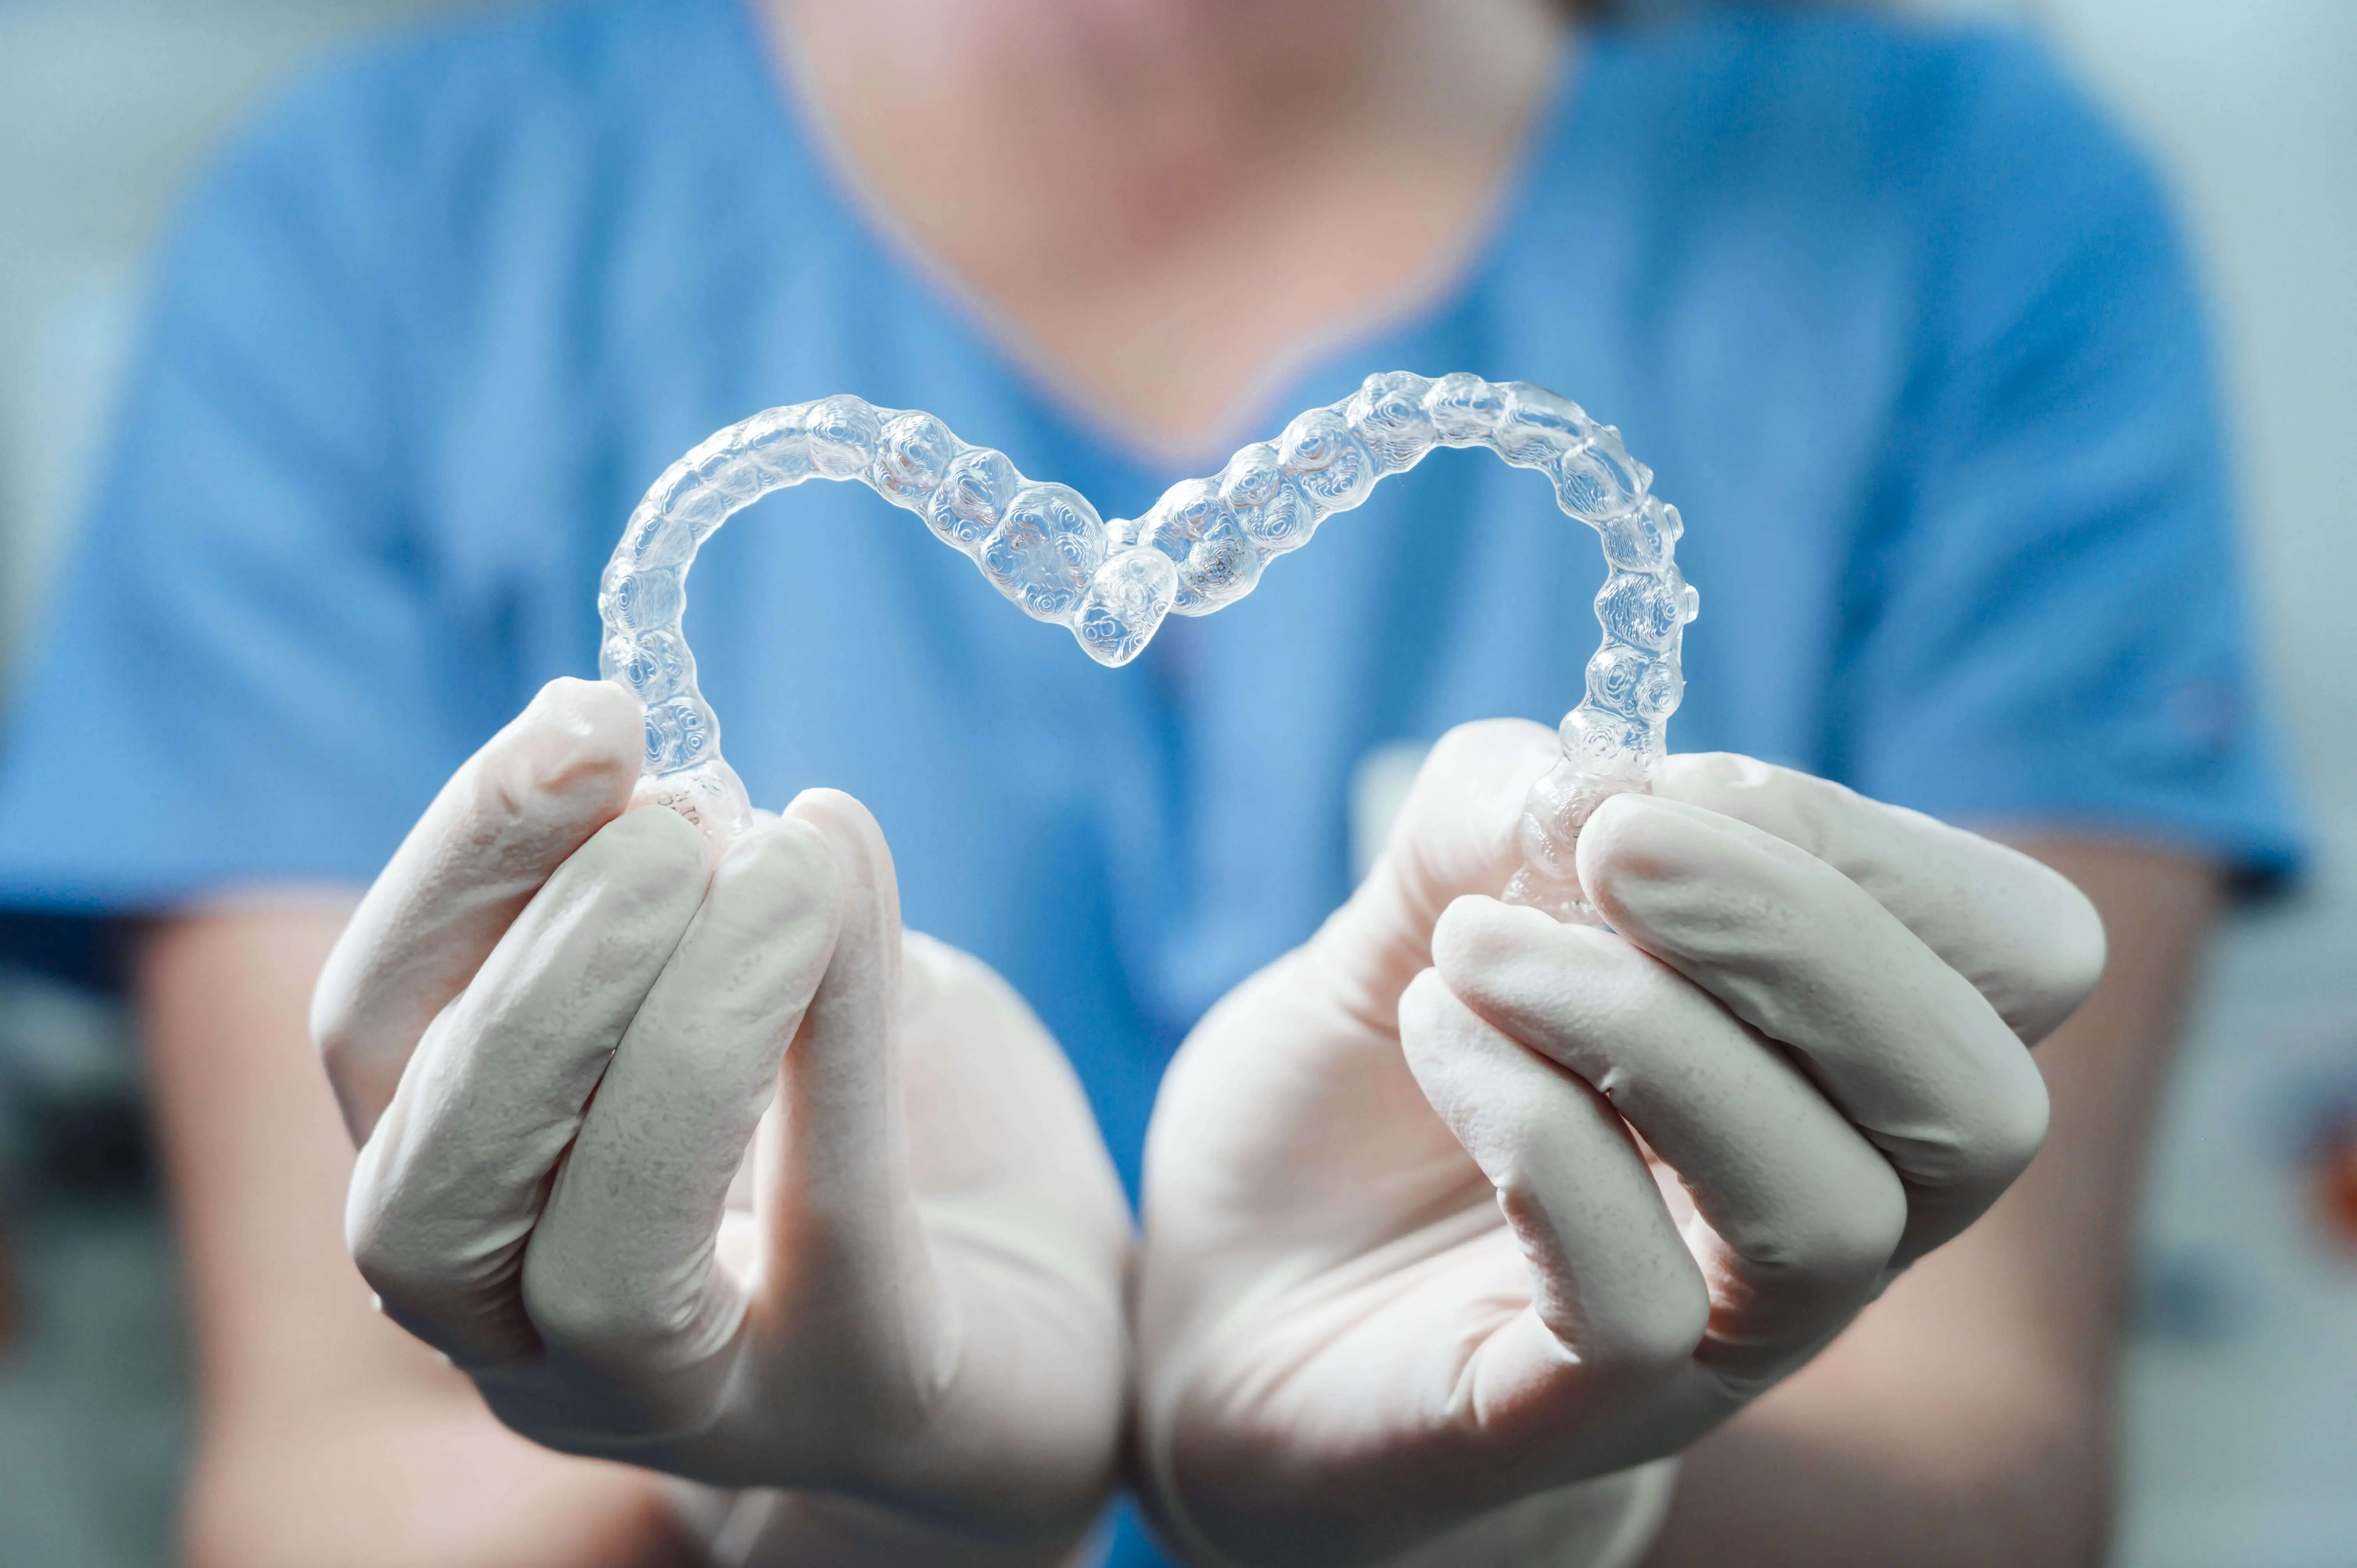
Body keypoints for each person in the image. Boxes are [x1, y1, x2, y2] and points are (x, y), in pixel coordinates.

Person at [0, 0, 2300, 1563]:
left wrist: (1532, 1489)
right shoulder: (381, 237)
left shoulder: (1977, 215)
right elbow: (319, 1481)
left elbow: (1993, 1453)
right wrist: (818, 1489)